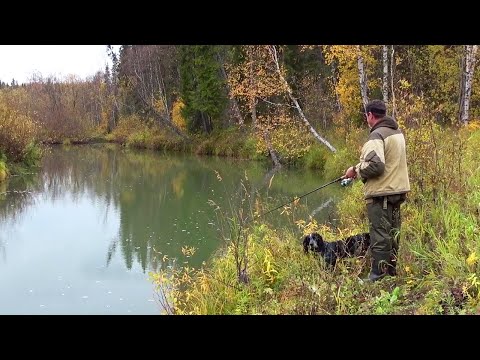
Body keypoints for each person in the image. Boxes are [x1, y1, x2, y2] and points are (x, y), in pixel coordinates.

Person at [343, 99, 410, 282]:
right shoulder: (397, 132)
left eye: (367, 116)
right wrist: (357, 167)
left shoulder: (376, 136)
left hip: (381, 194)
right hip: (398, 191)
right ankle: (391, 273)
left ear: (370, 115)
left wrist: (355, 170)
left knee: (380, 235)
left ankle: (377, 276)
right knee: (393, 233)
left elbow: (377, 166)